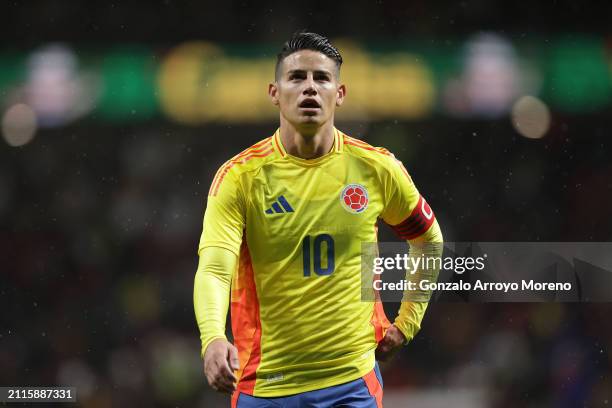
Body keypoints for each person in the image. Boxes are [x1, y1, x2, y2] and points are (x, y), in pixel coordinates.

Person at [193, 31, 443, 408]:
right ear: (274, 92)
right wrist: (212, 335)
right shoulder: (241, 178)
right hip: (265, 385)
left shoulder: (376, 168)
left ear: (339, 94)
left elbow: (429, 241)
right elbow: (214, 269)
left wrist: (407, 322)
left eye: (321, 78)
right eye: (297, 77)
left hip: (351, 382)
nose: (309, 87)